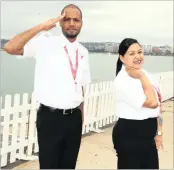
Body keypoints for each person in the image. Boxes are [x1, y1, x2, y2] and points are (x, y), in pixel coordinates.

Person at [3, 4, 91, 169]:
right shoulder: (45, 43)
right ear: (60, 22)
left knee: (69, 166)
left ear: (81, 23)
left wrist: (80, 119)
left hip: (74, 120)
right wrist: (42, 27)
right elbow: (10, 47)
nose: (72, 23)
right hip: (50, 119)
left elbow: (82, 88)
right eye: (67, 19)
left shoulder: (83, 52)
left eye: (76, 20)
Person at [112, 38, 163, 169]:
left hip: (148, 136)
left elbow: (158, 106)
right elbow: (152, 103)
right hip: (130, 136)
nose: (138, 56)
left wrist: (159, 133)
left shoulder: (146, 74)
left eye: (140, 52)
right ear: (122, 58)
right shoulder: (123, 80)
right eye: (132, 53)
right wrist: (142, 78)